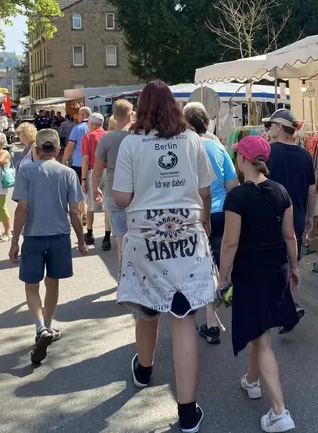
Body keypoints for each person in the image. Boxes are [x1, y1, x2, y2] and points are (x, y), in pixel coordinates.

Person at [113, 80, 215, 433]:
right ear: (174, 106)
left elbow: (122, 199)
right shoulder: (192, 140)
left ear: (141, 108)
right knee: (183, 315)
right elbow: (204, 190)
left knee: (147, 309)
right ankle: (187, 411)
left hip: (146, 236)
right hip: (186, 233)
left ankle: (144, 369)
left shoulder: (131, 143)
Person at [219, 135, 299, 433]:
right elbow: (290, 236)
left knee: (262, 339)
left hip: (249, 270)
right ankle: (252, 381)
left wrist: (222, 276)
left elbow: (230, 242)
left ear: (242, 160)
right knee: (260, 328)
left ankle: (279, 412)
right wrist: (294, 267)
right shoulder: (281, 192)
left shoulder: (237, 197)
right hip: (275, 268)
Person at [10, 129, 88, 364]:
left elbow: (22, 207)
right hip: (59, 235)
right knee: (52, 282)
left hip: (33, 235)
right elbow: (75, 211)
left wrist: (14, 240)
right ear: (56, 149)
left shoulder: (26, 170)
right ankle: (49, 326)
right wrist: (82, 241)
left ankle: (40, 327)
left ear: (36, 149)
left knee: (31, 286)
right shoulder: (67, 173)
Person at [183, 102, 239, 345]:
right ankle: (229, 309)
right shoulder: (218, 147)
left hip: (195, 214)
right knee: (221, 263)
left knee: (201, 268)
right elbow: (232, 185)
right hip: (222, 212)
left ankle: (210, 322)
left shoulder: (185, 148)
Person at [263, 108, 312, 334]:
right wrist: (311, 216)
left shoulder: (269, 153)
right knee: (293, 260)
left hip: (274, 214)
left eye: (270, 125)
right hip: (298, 214)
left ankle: (288, 308)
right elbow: (311, 189)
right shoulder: (305, 154)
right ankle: (291, 306)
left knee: (275, 262)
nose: (269, 129)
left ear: (280, 127)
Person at [93, 99, 133, 262]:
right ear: (131, 115)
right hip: (136, 191)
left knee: (121, 237)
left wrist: (95, 188)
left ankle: (122, 275)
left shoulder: (106, 139)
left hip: (113, 189)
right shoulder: (138, 137)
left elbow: (97, 170)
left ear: (114, 116)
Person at [82, 112, 108, 247]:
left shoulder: (88, 137)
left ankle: (90, 233)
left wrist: (83, 178)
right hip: (108, 172)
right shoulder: (108, 135)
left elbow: (85, 159)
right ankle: (107, 237)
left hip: (93, 171)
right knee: (107, 206)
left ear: (92, 123)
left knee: (91, 204)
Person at [63, 107, 91, 221]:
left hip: (78, 163)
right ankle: (89, 214)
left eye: (78, 114)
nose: (77, 116)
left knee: (79, 190)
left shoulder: (77, 128)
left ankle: (83, 214)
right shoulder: (95, 127)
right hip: (93, 163)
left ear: (83, 116)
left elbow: (70, 146)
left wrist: (64, 159)